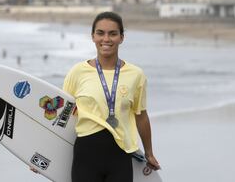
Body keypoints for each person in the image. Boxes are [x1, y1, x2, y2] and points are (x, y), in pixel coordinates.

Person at [31, 11, 160, 181]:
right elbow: (63, 116)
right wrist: (43, 153)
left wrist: (149, 153)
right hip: (86, 155)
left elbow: (141, 116)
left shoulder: (136, 75)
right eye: (100, 33)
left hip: (120, 156)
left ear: (122, 37)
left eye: (113, 34)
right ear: (93, 36)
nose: (106, 39)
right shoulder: (78, 72)